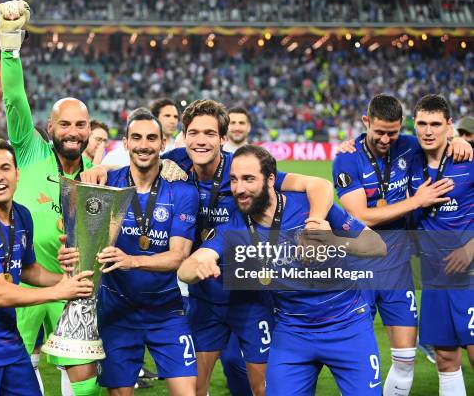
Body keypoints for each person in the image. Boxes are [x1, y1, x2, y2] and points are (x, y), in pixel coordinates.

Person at [178, 145, 388, 395]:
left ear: (270, 180)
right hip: (291, 332)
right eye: (233, 180)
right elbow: (187, 269)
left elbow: (376, 246)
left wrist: (331, 241)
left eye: (248, 179)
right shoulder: (234, 224)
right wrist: (199, 265)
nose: (239, 189)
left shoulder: (309, 207)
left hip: (347, 325)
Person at [162, 99, 335, 396]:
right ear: (184, 135)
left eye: (209, 133)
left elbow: (317, 184)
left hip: (252, 297)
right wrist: (97, 170)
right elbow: (127, 168)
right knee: (192, 388)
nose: (200, 140)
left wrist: (316, 220)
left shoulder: (242, 170)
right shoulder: (173, 163)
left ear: (223, 139)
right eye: (193, 132)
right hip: (204, 297)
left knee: (263, 387)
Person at [332, 94, 472, 394]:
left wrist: (462, 141)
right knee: (361, 358)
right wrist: (416, 201)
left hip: (408, 268)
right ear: (365, 123)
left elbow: (441, 139)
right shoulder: (348, 157)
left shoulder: (410, 146)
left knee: (408, 357)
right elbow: (360, 216)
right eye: (379, 132)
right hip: (362, 269)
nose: (385, 139)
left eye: (392, 132)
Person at [0, 0, 97, 395]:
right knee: (13, 365)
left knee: (84, 372)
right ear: (50, 126)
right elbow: (15, 99)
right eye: (65, 124)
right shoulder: (29, 149)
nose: (73, 131)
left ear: (89, 128)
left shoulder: (96, 172)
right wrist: (9, 44)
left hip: (70, 283)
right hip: (21, 278)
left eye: (81, 124)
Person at [0, 140, 94, 396]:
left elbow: (28, 270)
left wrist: (71, 280)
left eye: (5, 168)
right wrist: (60, 292)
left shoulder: (22, 215)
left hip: (7, 339)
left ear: (17, 173)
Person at [96, 108, 199, 395]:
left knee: (187, 391)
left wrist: (131, 261)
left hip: (166, 310)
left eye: (151, 138)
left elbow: (178, 256)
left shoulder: (182, 192)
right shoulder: (107, 185)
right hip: (116, 310)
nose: (144, 145)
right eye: (137, 137)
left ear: (162, 144)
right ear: (125, 143)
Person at [408, 95, 473, 396]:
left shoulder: (468, 160)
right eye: (422, 123)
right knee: (446, 358)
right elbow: (370, 142)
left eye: (436, 124)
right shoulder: (406, 161)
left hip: (469, 271)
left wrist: (470, 249)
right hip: (434, 274)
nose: (428, 131)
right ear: (414, 125)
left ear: (450, 126)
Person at [102, 98, 180, 166]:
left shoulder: (179, 150)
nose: (172, 121)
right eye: (136, 137)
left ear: (163, 144)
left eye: (176, 117)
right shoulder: (115, 157)